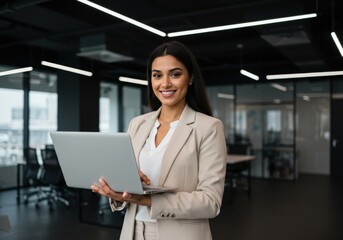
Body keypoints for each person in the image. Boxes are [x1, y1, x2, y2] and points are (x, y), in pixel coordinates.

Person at [91, 41, 227, 240]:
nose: (165, 84)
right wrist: (119, 189)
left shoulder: (208, 127)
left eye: (175, 74)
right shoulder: (137, 124)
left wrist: (147, 200)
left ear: (190, 78)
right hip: (133, 231)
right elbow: (128, 191)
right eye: (157, 75)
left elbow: (210, 201)